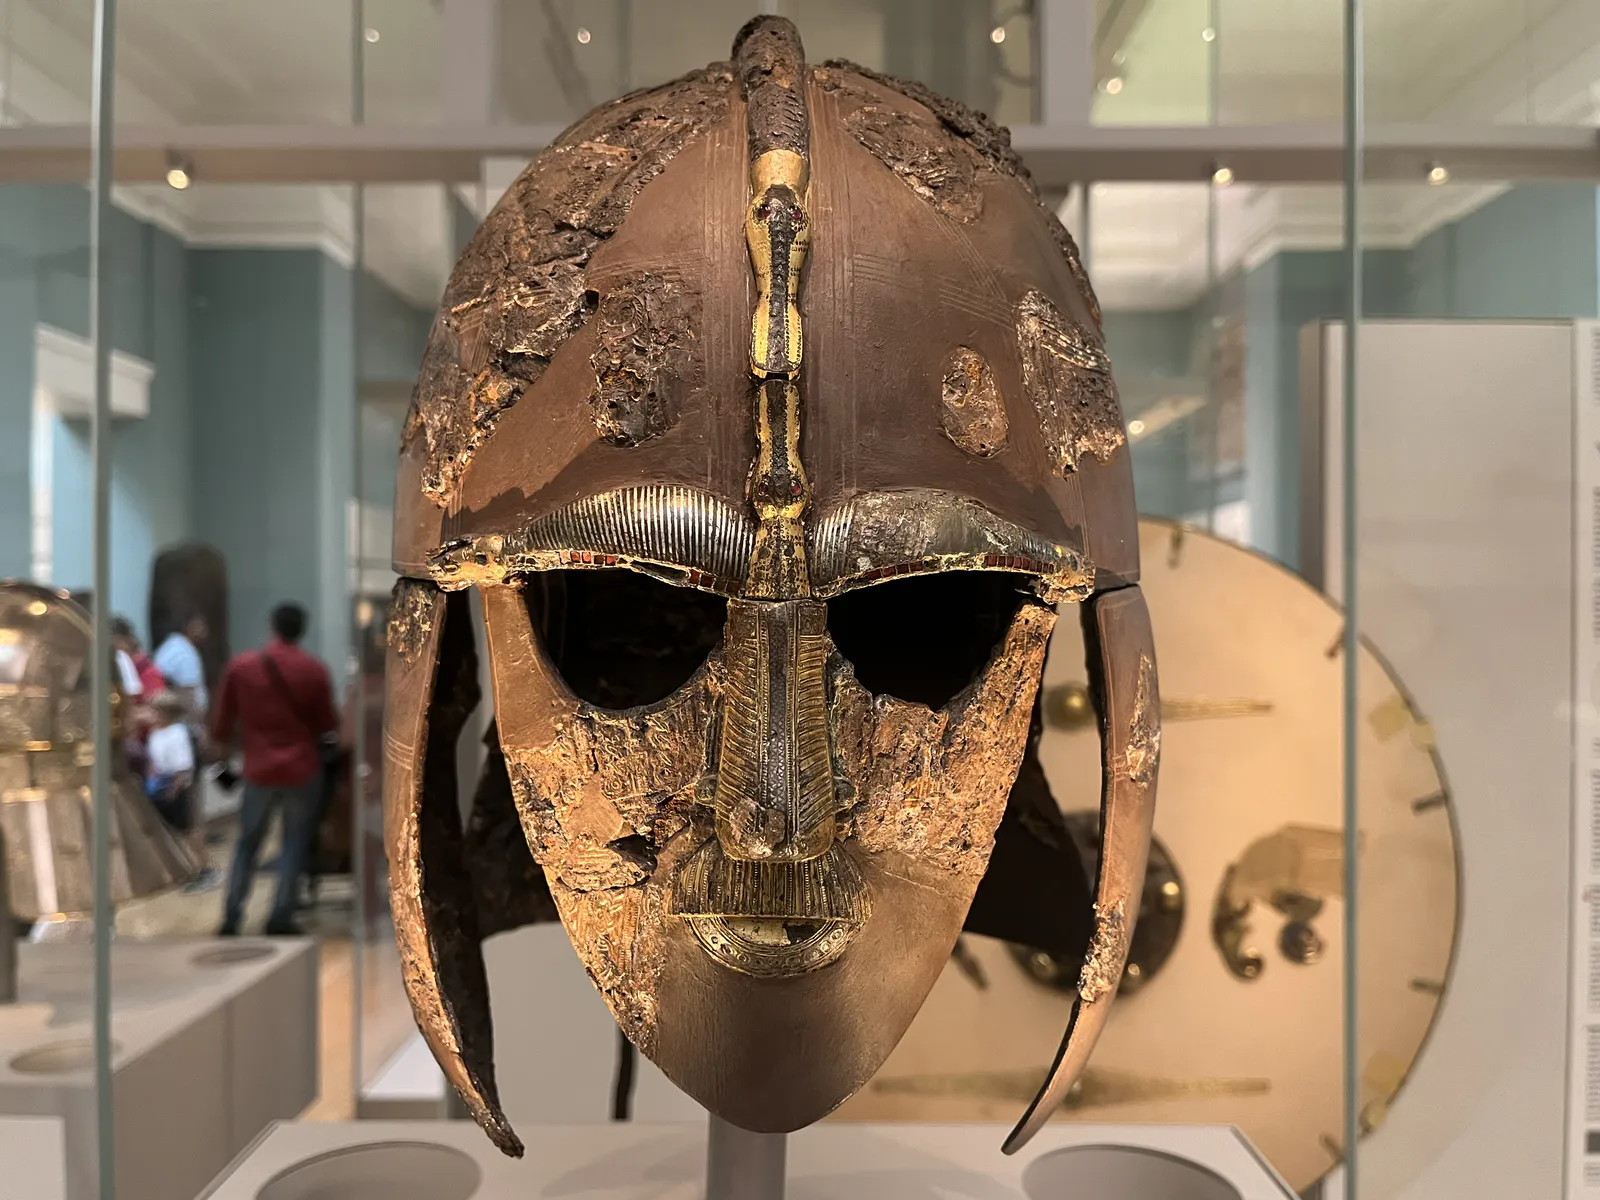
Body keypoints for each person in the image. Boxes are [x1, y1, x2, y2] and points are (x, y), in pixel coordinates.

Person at [211, 602, 337, 937]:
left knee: (247, 843)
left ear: (272, 626)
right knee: (294, 842)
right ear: (302, 629)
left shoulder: (242, 667)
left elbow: (222, 724)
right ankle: (281, 913)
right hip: (301, 767)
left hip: (259, 769)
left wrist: (224, 755)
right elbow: (328, 723)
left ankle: (232, 914)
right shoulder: (314, 670)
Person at [153, 612, 217, 887]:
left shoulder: (169, 649)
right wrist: (203, 730)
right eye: (202, 623)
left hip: (177, 734)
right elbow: (190, 695)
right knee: (191, 808)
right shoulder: (183, 653)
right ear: (191, 624)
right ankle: (199, 866)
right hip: (187, 732)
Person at [143, 691, 195, 831]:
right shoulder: (155, 734)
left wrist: (173, 791)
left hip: (174, 787)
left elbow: (182, 768)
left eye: (155, 712)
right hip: (157, 784)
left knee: (181, 828)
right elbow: (153, 760)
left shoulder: (177, 734)